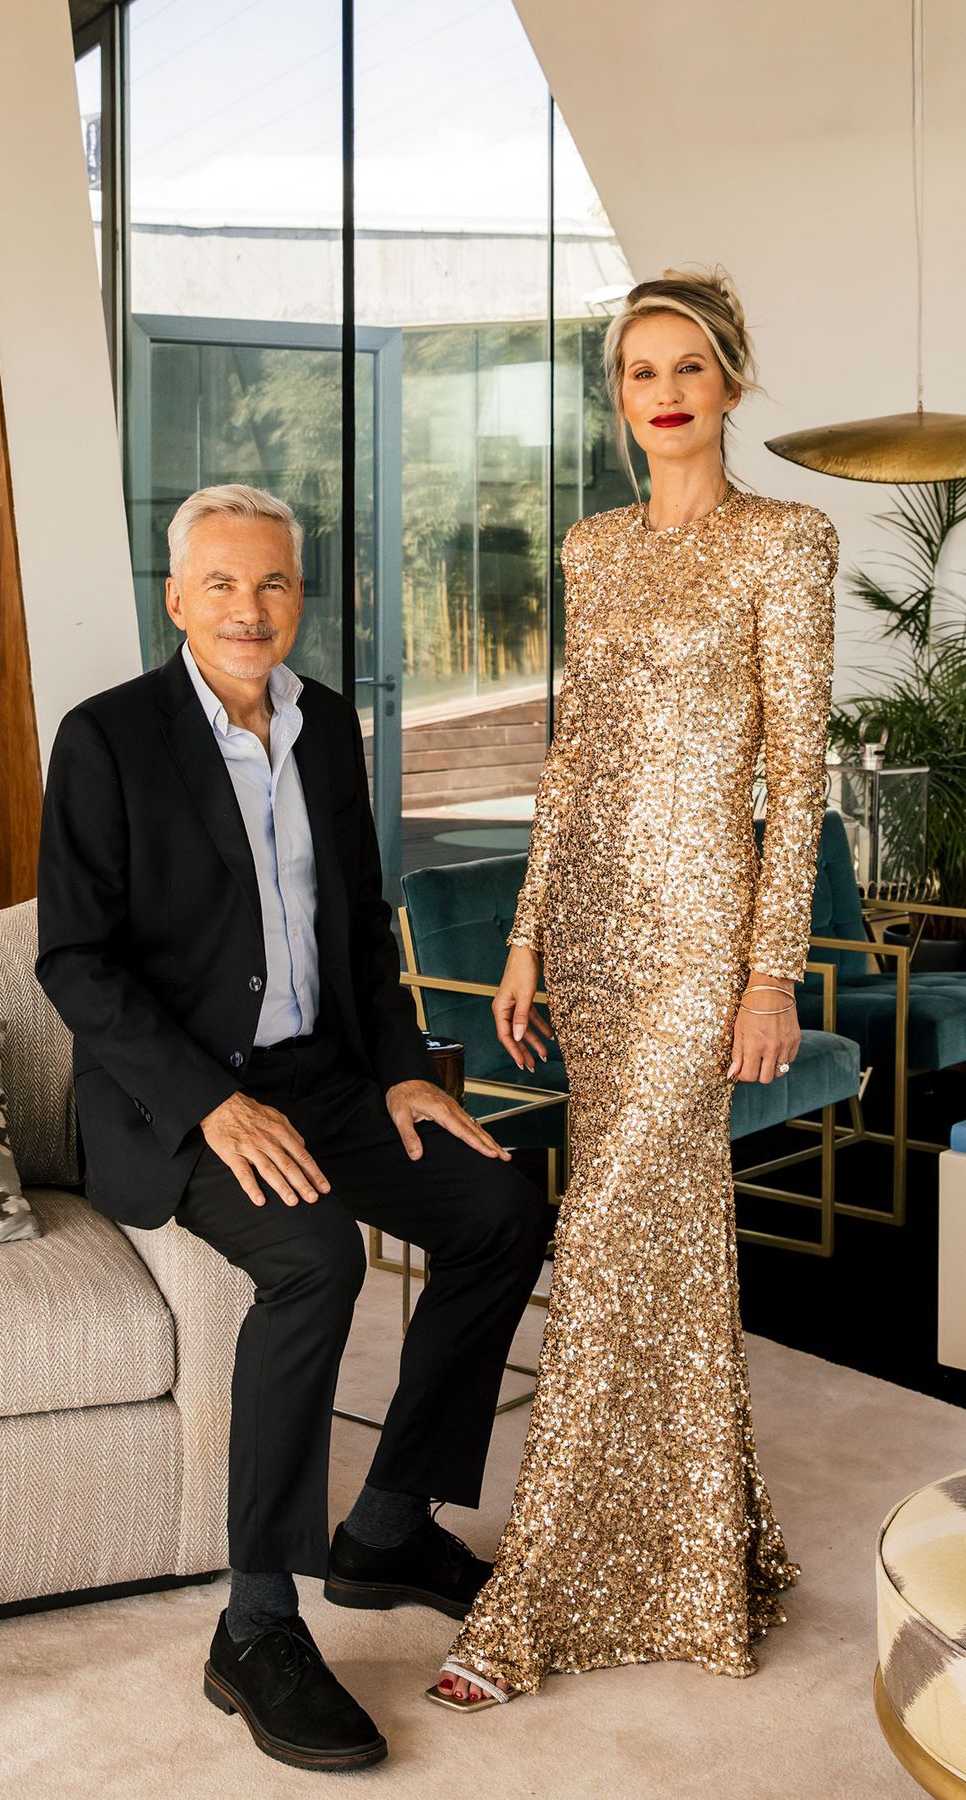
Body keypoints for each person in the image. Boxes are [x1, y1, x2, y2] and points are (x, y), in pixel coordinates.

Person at [35, 483, 547, 1773]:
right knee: (315, 1260)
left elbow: (360, 924)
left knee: (498, 1213)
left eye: (272, 584)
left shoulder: (326, 730)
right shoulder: (107, 740)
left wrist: (402, 1072)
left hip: (328, 1076)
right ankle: (255, 1624)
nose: (250, 609)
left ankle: (385, 1523)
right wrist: (215, 1103)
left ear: (298, 596)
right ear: (176, 598)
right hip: (183, 1101)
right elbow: (77, 965)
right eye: (221, 584)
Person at [428, 266, 838, 1710]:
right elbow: (575, 758)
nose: (660, 394)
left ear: (730, 380)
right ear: (620, 402)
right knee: (654, 1263)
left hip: (700, 950)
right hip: (594, 945)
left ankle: (535, 1604)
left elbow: (799, 779)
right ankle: (703, 1563)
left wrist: (770, 970)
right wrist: (531, 937)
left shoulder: (787, 544)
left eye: (685, 368)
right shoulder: (593, 550)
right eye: (634, 374)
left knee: (598, 1255)